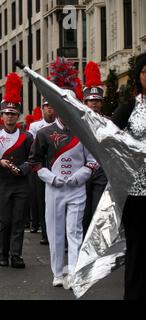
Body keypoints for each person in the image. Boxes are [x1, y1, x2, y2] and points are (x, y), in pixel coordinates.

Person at [29, 57, 98, 289]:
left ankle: (75, 272)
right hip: (54, 190)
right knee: (56, 233)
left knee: (75, 232)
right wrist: (52, 178)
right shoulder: (44, 133)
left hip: (77, 188)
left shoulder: (84, 130)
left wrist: (82, 175)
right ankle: (58, 272)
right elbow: (35, 162)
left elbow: (93, 160)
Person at [0, 73, 33, 269]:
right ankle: (3, 253)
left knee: (19, 220)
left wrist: (23, 169)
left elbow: (34, 159)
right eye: (6, 113)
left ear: (18, 115)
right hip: (2, 183)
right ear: (1, 116)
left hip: (20, 183)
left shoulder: (27, 137)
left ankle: (16, 255)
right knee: (4, 220)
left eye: (13, 113)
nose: (10, 116)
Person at [111, 52, 146, 300]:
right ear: (138, 77)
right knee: (137, 249)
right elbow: (108, 139)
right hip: (136, 192)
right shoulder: (130, 107)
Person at [82, 61, 108, 237]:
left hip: (101, 169)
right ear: (85, 102)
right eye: (90, 101)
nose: (94, 104)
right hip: (82, 169)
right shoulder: (77, 122)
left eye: (97, 101)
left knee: (98, 210)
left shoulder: (110, 122)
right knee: (82, 210)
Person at [28, 101, 57, 245]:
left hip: (56, 163)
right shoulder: (35, 126)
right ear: (43, 109)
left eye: (52, 106)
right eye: (47, 107)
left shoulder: (60, 124)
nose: (50, 109)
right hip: (41, 163)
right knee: (42, 200)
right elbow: (34, 147)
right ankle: (45, 233)